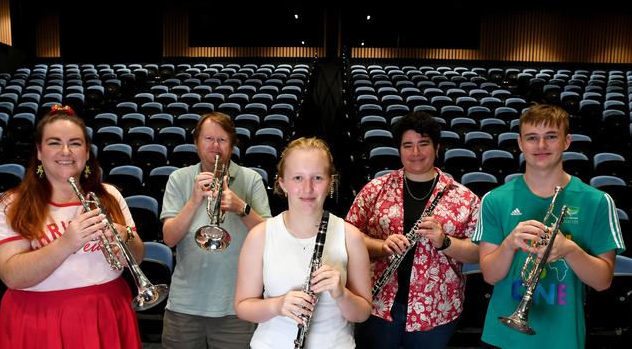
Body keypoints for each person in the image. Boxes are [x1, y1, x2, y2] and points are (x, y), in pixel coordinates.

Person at [0, 104, 143, 349]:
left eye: (76, 143)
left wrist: (126, 239)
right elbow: (12, 276)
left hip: (108, 310)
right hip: (39, 318)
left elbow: (138, 256)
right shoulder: (11, 205)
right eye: (54, 142)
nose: (66, 151)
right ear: (39, 151)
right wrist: (67, 242)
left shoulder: (110, 195)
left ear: (87, 152)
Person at [472, 103, 625, 349]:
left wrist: (569, 250)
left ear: (566, 141)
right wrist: (510, 244)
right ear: (521, 143)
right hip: (502, 336)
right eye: (532, 138)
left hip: (562, 337)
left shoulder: (598, 201)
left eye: (551, 137)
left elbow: (602, 281)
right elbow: (490, 276)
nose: (541, 146)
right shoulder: (494, 199)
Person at [346, 111, 481, 349]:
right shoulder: (375, 189)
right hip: (378, 302)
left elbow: (478, 252)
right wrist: (381, 246)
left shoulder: (464, 197)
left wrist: (445, 241)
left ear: (437, 148)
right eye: (408, 145)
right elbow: (347, 235)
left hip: (436, 308)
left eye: (423, 144)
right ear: (399, 149)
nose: (415, 153)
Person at [234, 137, 372, 349]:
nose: (307, 188)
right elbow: (243, 307)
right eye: (297, 177)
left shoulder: (350, 236)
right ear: (283, 183)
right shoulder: (260, 235)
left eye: (317, 177)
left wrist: (341, 294)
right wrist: (277, 306)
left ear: (330, 183)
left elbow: (362, 313)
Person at [160, 111, 272, 349]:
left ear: (231, 145)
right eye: (208, 139)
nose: (215, 146)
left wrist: (242, 208)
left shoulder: (250, 179)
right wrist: (193, 201)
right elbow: (169, 238)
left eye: (222, 140)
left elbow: (269, 237)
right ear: (196, 143)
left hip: (237, 305)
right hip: (185, 305)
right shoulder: (179, 179)